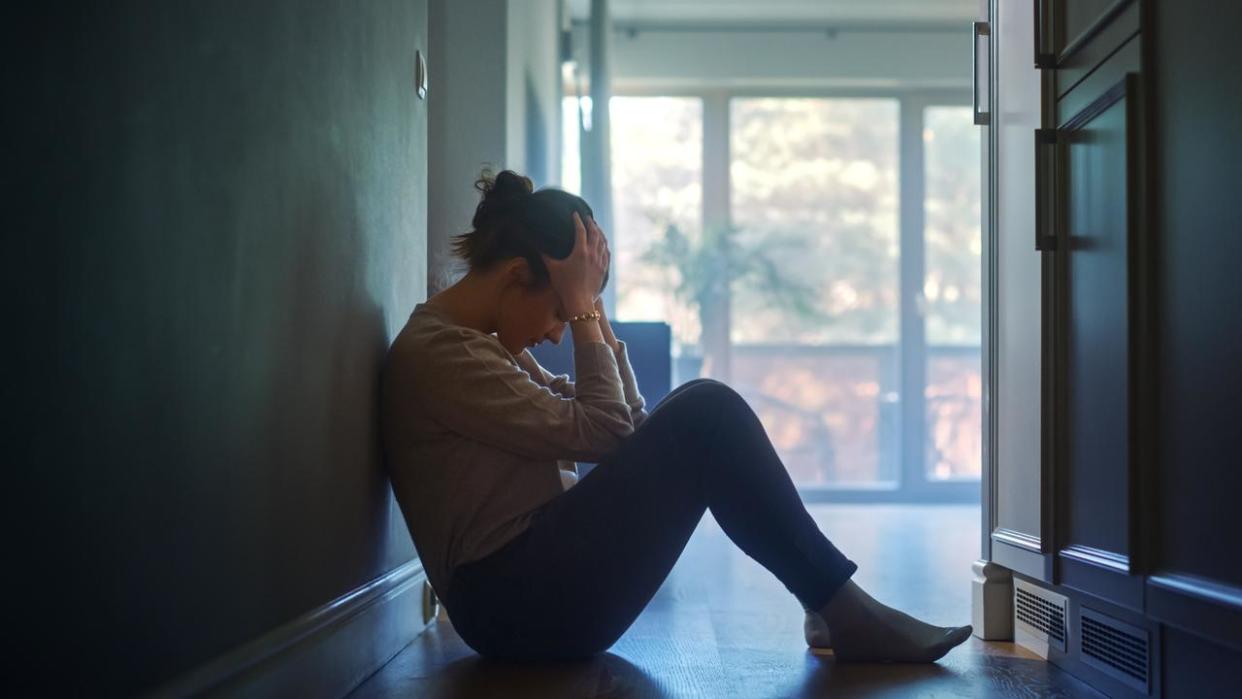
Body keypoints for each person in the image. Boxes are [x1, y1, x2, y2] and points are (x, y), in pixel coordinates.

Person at [380, 169, 972, 663]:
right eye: (561, 310)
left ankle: (832, 607)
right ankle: (840, 609)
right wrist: (585, 311)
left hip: (532, 589)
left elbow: (625, 430)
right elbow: (607, 430)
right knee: (707, 409)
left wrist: (593, 313)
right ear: (516, 276)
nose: (558, 333)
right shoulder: (443, 354)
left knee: (702, 407)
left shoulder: (479, 347)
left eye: (571, 315)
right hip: (513, 609)